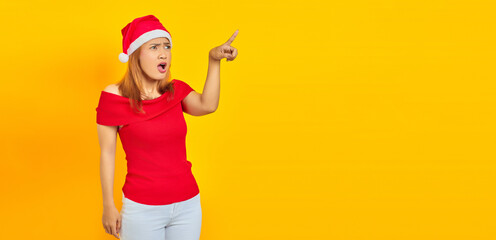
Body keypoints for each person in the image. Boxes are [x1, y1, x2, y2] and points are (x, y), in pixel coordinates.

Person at [96, 15, 238, 240]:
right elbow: (107, 153)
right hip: (142, 209)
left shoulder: (175, 91)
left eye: (167, 46)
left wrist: (213, 60)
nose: (163, 53)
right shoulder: (115, 97)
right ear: (135, 56)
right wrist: (108, 205)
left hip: (187, 205)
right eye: (154, 47)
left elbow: (208, 105)